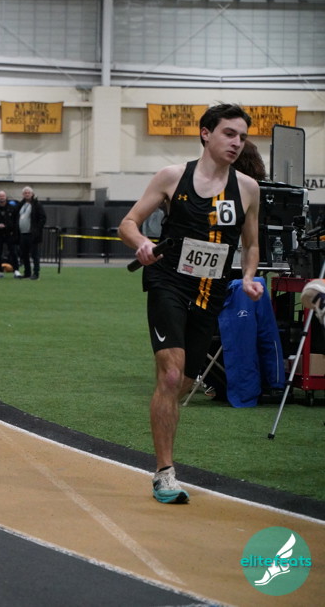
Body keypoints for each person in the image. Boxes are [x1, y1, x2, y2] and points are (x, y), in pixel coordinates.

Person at [118, 103, 261, 505]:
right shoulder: (172, 176)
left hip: (210, 292)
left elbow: (251, 245)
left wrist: (248, 278)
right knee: (169, 376)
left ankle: (161, 411)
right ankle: (165, 473)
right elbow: (127, 223)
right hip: (168, 281)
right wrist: (142, 244)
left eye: (242, 136)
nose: (236, 142)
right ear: (205, 133)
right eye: (229, 133)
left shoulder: (248, 188)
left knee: (181, 384)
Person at [17, 186, 47, 280]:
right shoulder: (21, 205)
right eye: (25, 193)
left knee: (34, 255)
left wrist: (37, 229)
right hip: (22, 234)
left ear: (32, 194)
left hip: (32, 234)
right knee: (24, 255)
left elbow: (43, 218)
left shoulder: (37, 204)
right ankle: (27, 273)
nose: (27, 194)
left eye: (28, 193)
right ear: (23, 194)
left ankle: (36, 273)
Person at [0, 190, 21, 278]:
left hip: (9, 234)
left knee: (13, 252)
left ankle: (16, 270)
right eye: (0, 196)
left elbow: (15, 221)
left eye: (3, 196)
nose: (1, 198)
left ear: (6, 197)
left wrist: (11, 229)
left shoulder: (12, 208)